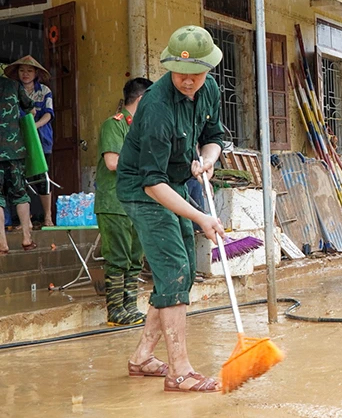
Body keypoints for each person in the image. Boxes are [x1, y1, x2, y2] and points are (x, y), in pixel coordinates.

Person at [116, 26, 226, 392]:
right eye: (181, 74)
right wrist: (200, 216)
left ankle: (143, 357)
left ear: (208, 70)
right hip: (143, 190)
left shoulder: (208, 90)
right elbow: (151, 182)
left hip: (175, 183)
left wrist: (207, 161)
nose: (188, 81)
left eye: (196, 74)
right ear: (169, 68)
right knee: (175, 268)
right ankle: (179, 371)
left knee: (179, 272)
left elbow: (213, 138)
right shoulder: (157, 106)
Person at [95, 77, 153, 326]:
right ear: (141, 99)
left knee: (134, 258)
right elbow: (112, 162)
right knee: (117, 258)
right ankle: (115, 310)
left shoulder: (141, 128)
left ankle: (130, 306)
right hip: (114, 203)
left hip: (137, 203)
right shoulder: (114, 124)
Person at [5, 56, 55, 226]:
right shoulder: (12, 90)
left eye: (29, 70)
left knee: (42, 177)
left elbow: (48, 114)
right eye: (22, 70)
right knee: (20, 179)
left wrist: (34, 126)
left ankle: (48, 217)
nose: (25, 74)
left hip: (41, 139)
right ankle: (26, 222)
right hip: (18, 141)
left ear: (36, 73)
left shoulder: (45, 91)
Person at [0, 69, 36, 254]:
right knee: (20, 193)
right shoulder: (13, 85)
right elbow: (31, 110)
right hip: (14, 150)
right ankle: (26, 238)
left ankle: (2, 242)